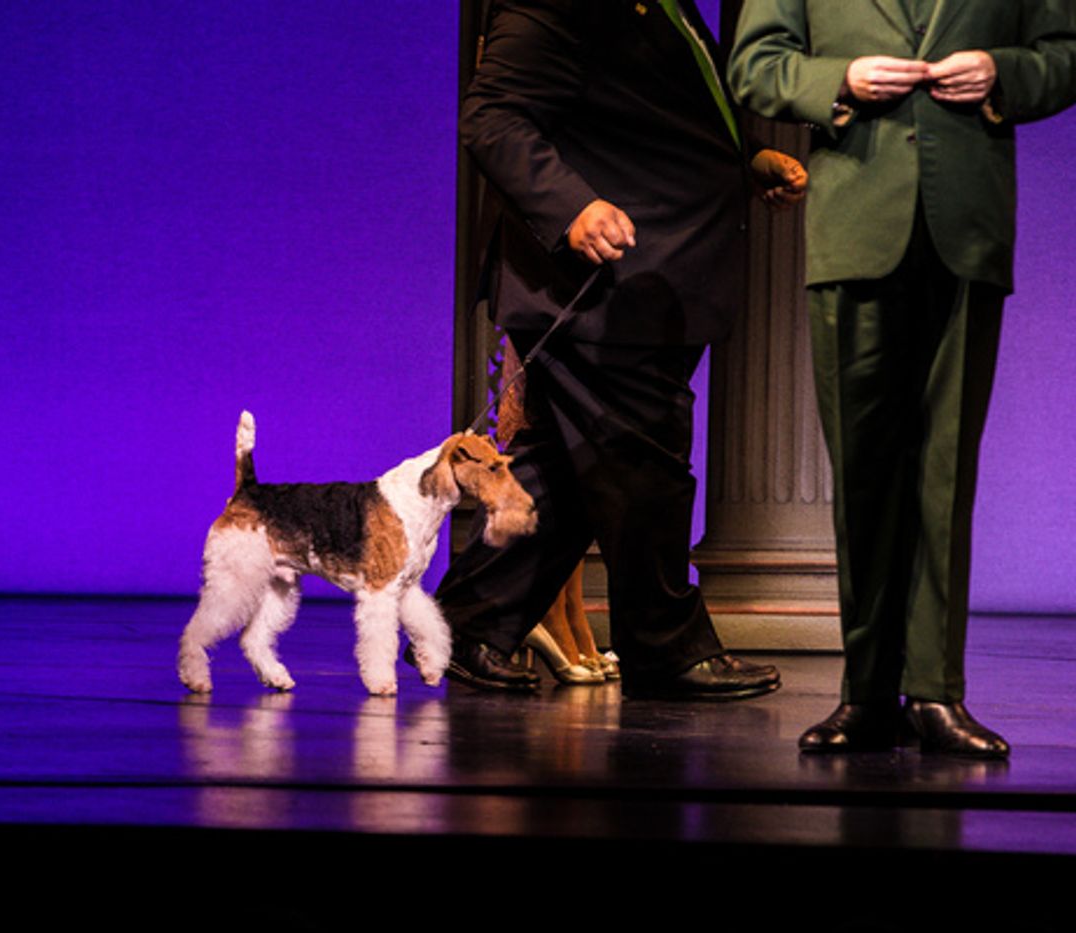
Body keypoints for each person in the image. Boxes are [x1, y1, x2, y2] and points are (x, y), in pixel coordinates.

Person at [729, 0, 1076, 756]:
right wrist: (842, 79)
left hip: (966, 224)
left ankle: (935, 691)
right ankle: (866, 692)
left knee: (945, 470)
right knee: (863, 470)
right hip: (857, 223)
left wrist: (1002, 73)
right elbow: (755, 65)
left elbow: (1065, 50)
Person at [434, 0, 807, 699]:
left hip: (653, 273)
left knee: (575, 474)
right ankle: (666, 647)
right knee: (644, 465)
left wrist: (742, 164)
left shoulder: (668, 4)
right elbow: (493, 115)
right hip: (597, 283)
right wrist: (569, 206)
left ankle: (469, 624)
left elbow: (644, 120)